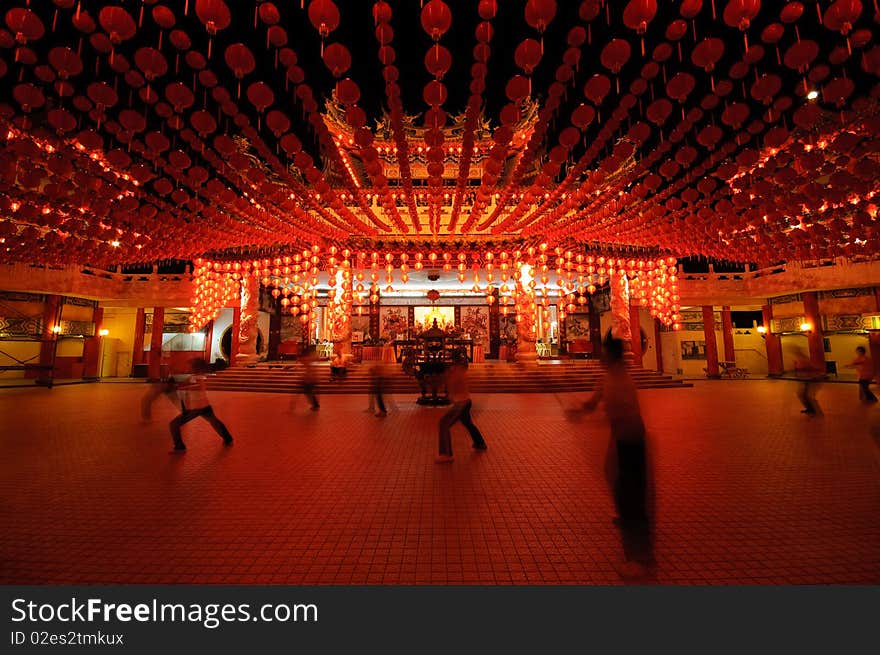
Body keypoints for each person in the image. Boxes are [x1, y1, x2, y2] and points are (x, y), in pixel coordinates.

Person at [580, 336, 653, 574]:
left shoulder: (622, 380)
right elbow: (592, 403)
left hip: (632, 440)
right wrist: (578, 411)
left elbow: (624, 413)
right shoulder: (607, 378)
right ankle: (634, 544)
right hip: (619, 439)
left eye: (604, 353)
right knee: (613, 479)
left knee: (633, 498)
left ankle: (641, 558)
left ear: (612, 356)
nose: (600, 357)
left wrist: (597, 422)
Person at [168, 358, 234, 453]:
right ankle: (228, 438)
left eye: (190, 366)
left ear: (195, 367)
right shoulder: (193, 376)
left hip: (196, 408)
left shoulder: (198, 377)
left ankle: (179, 447)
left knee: (174, 424)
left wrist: (185, 387)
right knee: (214, 422)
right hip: (204, 406)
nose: (188, 367)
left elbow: (198, 386)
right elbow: (184, 383)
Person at [436, 351, 487, 462]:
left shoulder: (456, 371)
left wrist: (447, 376)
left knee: (444, 424)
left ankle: (446, 454)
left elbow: (453, 384)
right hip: (465, 401)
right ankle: (480, 443)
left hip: (461, 403)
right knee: (467, 423)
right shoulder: (458, 371)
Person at [792, 345, 824, 416]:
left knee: (809, 396)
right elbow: (798, 371)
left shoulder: (804, 359)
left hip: (813, 379)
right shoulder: (798, 360)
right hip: (807, 379)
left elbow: (810, 369)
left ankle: (818, 412)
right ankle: (810, 409)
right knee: (801, 394)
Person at [300, 346, 320, 411]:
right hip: (309, 379)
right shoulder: (311, 360)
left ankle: (315, 404)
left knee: (309, 392)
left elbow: (310, 368)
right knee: (310, 392)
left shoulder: (310, 360)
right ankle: (315, 404)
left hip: (310, 379)